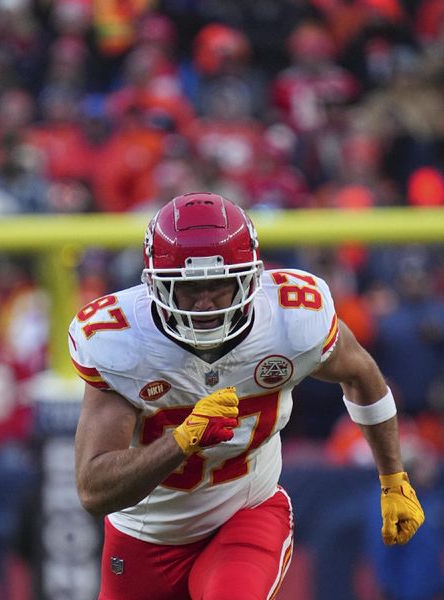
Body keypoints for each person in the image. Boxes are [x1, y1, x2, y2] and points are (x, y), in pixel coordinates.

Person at [69, 192, 425, 600]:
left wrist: (393, 479)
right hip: (144, 535)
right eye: (188, 289)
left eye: (219, 285)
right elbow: (93, 490)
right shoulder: (124, 344)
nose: (204, 303)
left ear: (250, 278)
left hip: (245, 513)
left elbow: (362, 374)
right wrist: (181, 442)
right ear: (155, 285)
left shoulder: (291, 321)